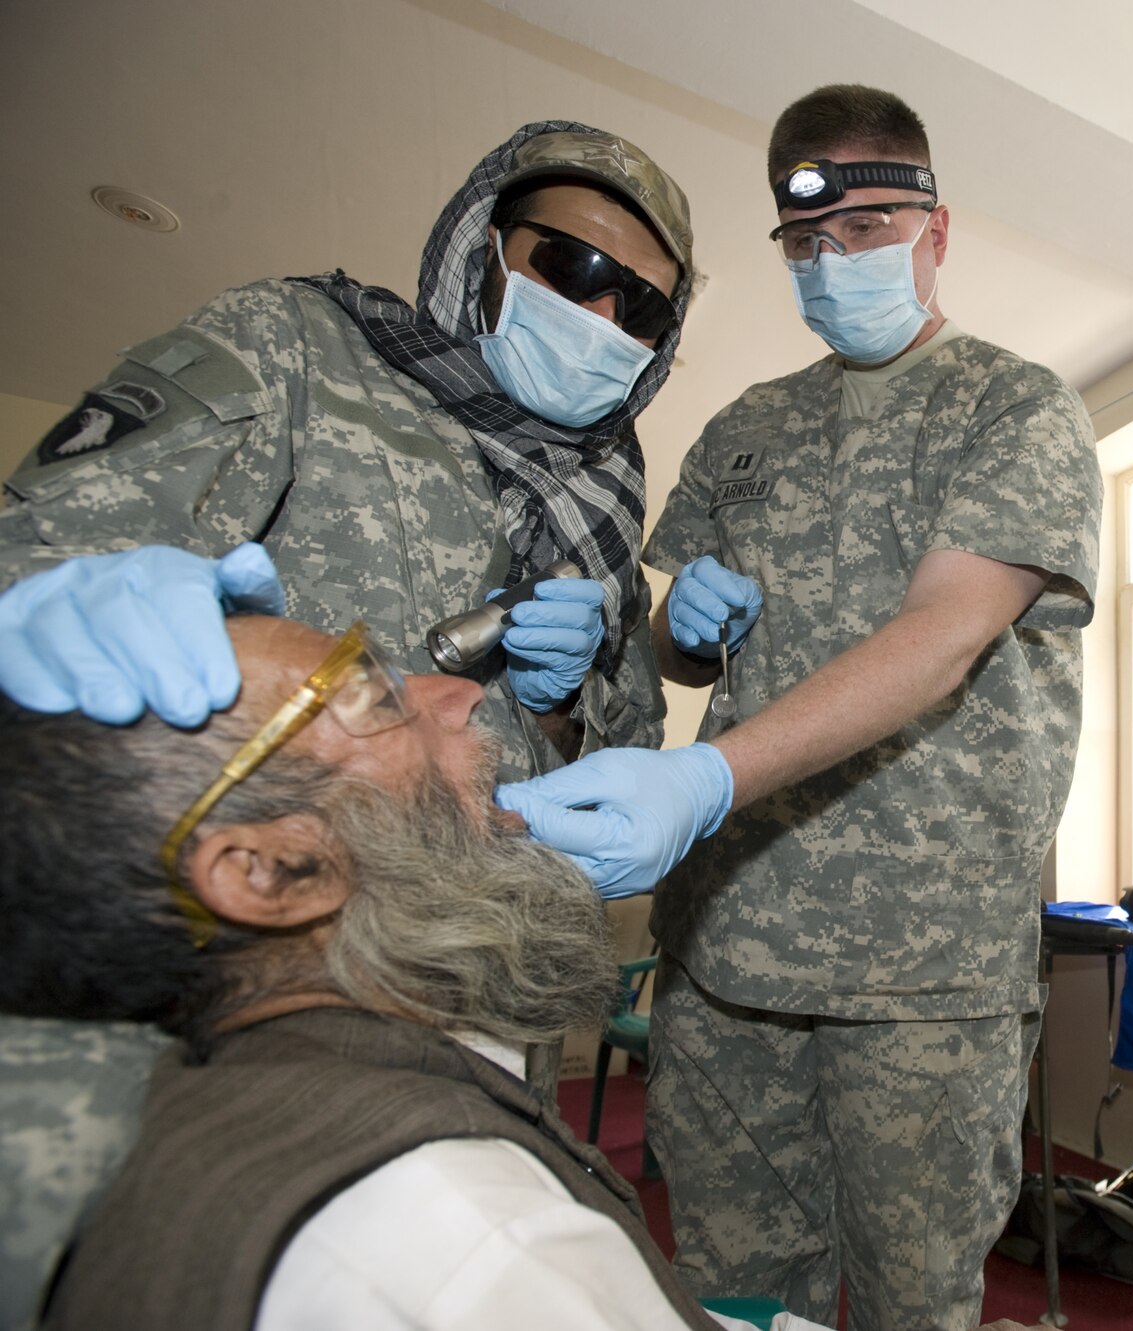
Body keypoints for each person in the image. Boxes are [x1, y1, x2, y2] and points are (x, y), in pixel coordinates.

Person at [0, 121, 697, 1326]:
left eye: (642, 308)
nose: (605, 318)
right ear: (480, 249)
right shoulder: (300, 348)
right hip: (260, 987)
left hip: (474, 964)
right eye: (574, 270)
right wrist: (34, 599)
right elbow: (53, 550)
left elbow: (616, 736)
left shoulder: (608, 483)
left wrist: (567, 696)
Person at [500, 85, 1102, 1331]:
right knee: (733, 1292)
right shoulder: (747, 424)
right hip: (730, 944)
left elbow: (946, 632)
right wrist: (689, 623)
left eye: (868, 230)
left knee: (909, 1298)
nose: (837, 264)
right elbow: (671, 652)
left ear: (936, 230)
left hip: (923, 964)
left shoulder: (1014, 404)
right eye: (807, 244)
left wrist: (706, 777)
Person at [0, 616, 726, 1330]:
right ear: (271, 870)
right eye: (375, 695)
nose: (459, 692)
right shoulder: (470, 1236)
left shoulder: (207, 1103)